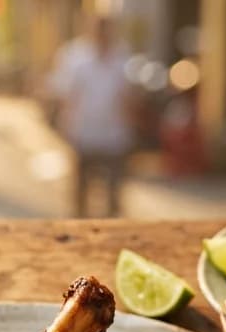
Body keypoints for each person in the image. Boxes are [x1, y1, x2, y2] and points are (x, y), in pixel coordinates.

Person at [62, 18, 137, 217]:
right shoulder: (78, 59)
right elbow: (71, 96)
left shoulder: (122, 59)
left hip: (114, 136)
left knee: (114, 195)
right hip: (85, 133)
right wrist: (67, 126)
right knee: (80, 194)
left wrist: (131, 127)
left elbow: (128, 96)